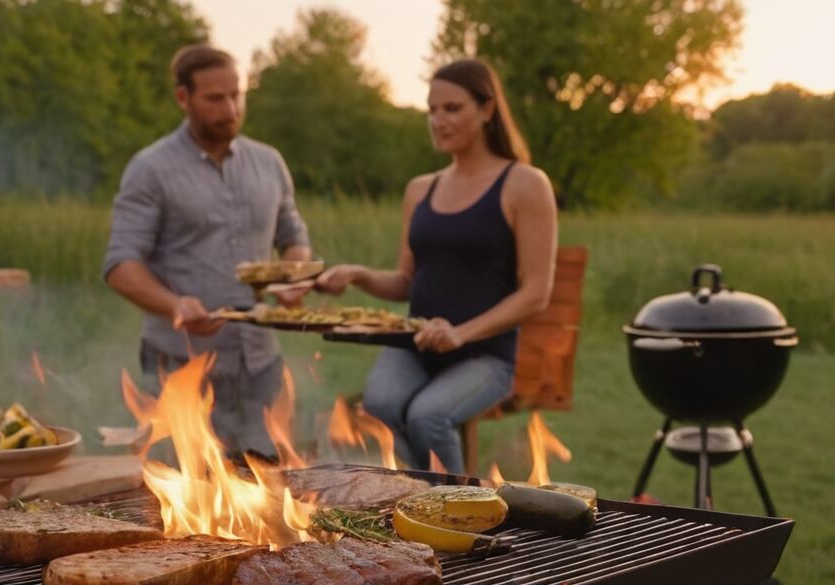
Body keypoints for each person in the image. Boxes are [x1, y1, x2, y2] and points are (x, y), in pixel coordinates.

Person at [317, 59, 557, 473]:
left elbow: (536, 293)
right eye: (432, 110)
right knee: (380, 405)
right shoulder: (421, 190)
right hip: (416, 343)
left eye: (452, 108)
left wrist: (460, 334)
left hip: (485, 355)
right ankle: (414, 505)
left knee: (428, 416)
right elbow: (405, 282)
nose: (438, 120)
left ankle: (458, 515)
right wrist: (357, 274)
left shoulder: (525, 184)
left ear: (487, 109)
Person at [103, 44, 312, 459]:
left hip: (259, 359)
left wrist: (290, 279)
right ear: (184, 98)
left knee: (269, 488)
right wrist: (175, 303)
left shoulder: (269, 163)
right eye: (215, 98)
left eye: (237, 95)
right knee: (185, 494)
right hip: (182, 362)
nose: (231, 108)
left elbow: (295, 240)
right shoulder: (150, 169)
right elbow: (120, 266)